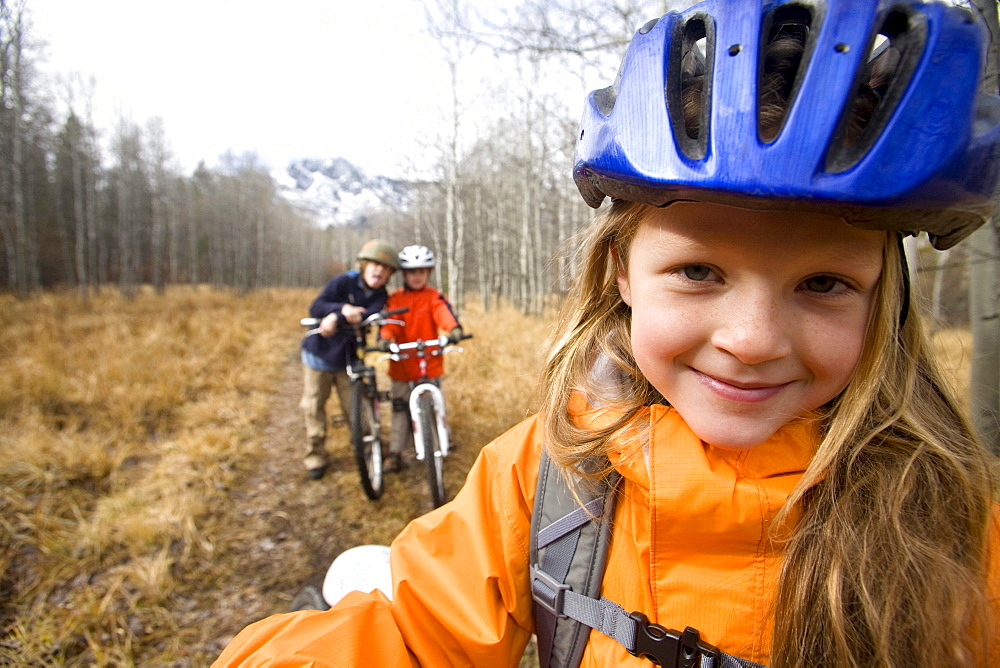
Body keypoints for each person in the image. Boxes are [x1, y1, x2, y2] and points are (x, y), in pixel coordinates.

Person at [217, 1, 1000, 665]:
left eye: (824, 284)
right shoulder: (548, 474)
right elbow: (413, 632)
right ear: (622, 272)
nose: (754, 339)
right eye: (699, 272)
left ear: (884, 303)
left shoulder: (959, 521)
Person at [299, 239, 398, 480]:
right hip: (318, 357)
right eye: (375, 265)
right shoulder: (342, 281)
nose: (379, 271)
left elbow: (368, 315)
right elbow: (316, 306)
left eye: (385, 268)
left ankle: (367, 448)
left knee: (355, 407)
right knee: (313, 407)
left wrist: (337, 317)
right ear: (364, 265)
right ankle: (315, 456)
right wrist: (339, 310)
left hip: (348, 360)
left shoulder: (381, 295)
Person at [375, 245, 463, 474]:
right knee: (399, 407)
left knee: (435, 403)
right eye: (412, 272)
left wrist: (453, 329)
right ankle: (395, 453)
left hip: (428, 363)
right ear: (404, 274)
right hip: (402, 366)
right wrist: (385, 339)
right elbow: (389, 324)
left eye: (422, 272)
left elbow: (443, 312)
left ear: (428, 273)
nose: (417, 276)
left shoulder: (433, 296)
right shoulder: (395, 299)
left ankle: (444, 438)